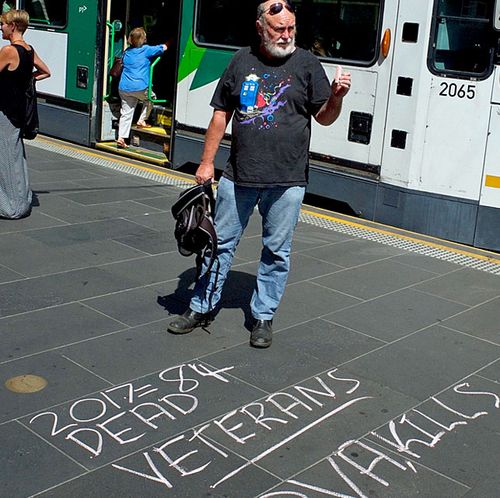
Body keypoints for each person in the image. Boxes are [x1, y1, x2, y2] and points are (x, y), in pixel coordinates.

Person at [167, 0, 351, 348]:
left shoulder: (308, 64)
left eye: (291, 29)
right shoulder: (241, 60)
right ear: (260, 27)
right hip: (239, 176)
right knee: (217, 245)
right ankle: (200, 306)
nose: (286, 35)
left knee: (277, 252)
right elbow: (221, 114)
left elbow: (324, 117)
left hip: (288, 181)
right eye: (278, 29)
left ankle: (263, 316)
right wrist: (206, 162)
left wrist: (338, 97)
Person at [0, 9, 50, 219]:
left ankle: (12, 207)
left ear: (12, 26)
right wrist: (26, 81)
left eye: (2, 24)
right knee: (15, 154)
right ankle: (20, 200)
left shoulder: (8, 50)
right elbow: (46, 71)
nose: (1, 28)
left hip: (5, 111)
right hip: (19, 111)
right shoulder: (29, 50)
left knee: (7, 157)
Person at [116, 27, 169, 148]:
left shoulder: (126, 52)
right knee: (151, 98)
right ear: (143, 39)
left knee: (126, 113)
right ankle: (142, 120)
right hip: (139, 87)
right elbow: (164, 48)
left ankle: (121, 138)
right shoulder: (146, 50)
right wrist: (170, 40)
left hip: (124, 88)